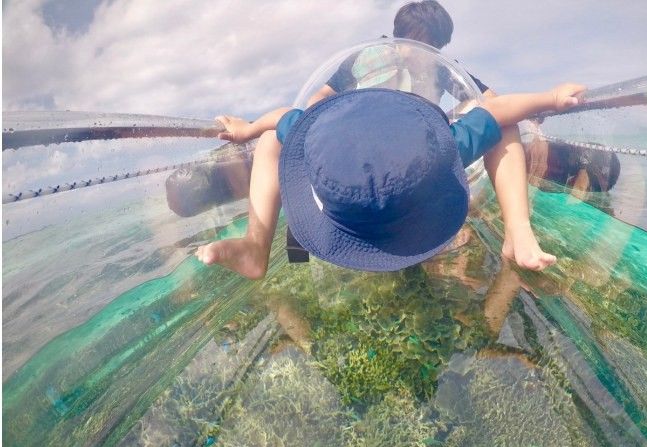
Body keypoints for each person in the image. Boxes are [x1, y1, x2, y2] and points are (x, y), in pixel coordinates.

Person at [213, 0, 562, 272]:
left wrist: (483, 108)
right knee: (285, 147)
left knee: (286, 136)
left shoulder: (440, 68)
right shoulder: (369, 60)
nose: (422, 52)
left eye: (434, 44)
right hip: (353, 156)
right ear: (399, 38)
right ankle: (263, 246)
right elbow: (318, 100)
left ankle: (516, 230)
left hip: (416, 157)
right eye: (417, 43)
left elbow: (490, 101)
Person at [195, 84, 585, 280]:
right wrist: (246, 130)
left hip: (367, 159)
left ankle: (517, 232)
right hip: (337, 160)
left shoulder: (433, 154)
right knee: (270, 140)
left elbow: (495, 110)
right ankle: (256, 245)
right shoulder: (317, 150)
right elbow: (494, 110)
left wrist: (553, 97)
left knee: (268, 138)